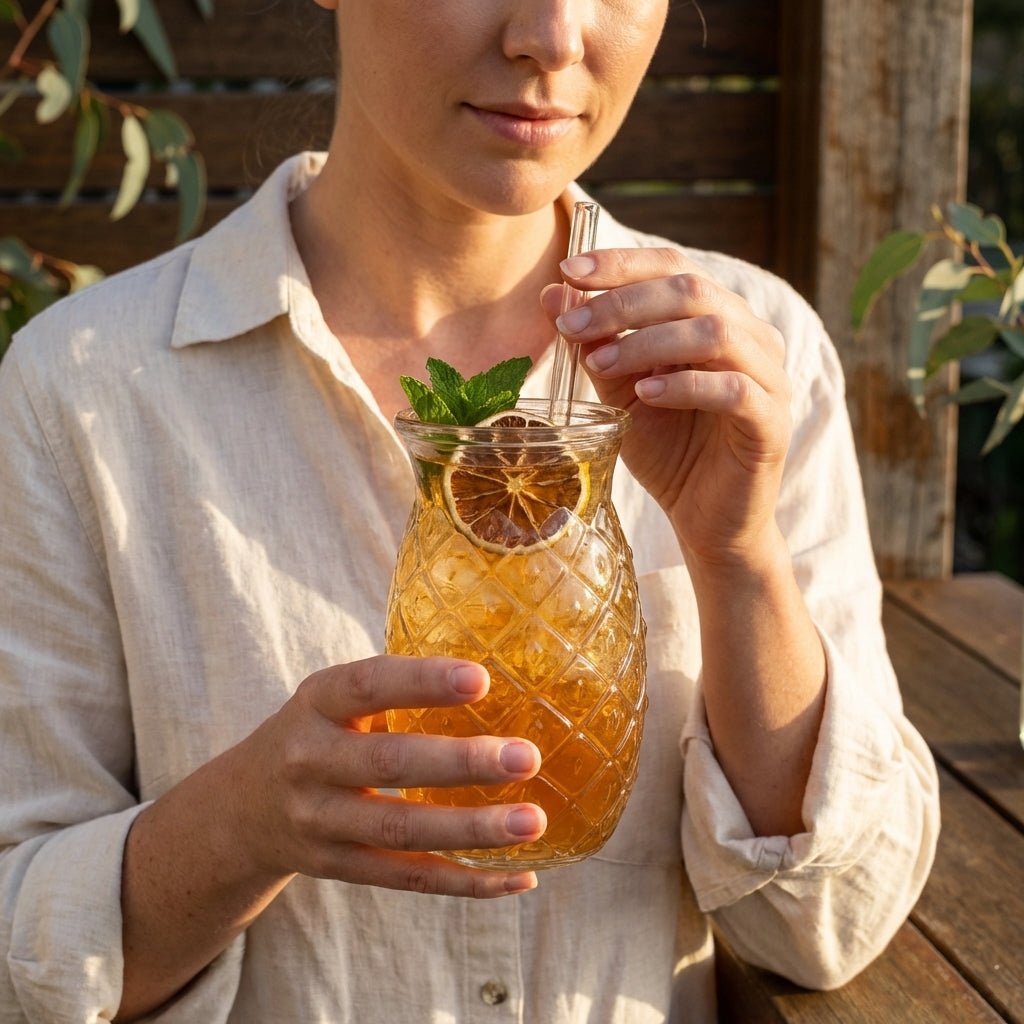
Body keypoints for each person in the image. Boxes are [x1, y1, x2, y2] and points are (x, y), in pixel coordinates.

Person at [0, 2, 940, 1022]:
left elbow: (833, 922)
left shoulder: (754, 358)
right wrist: (239, 825)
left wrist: (738, 555)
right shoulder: (83, 392)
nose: (552, 35)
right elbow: (22, 960)